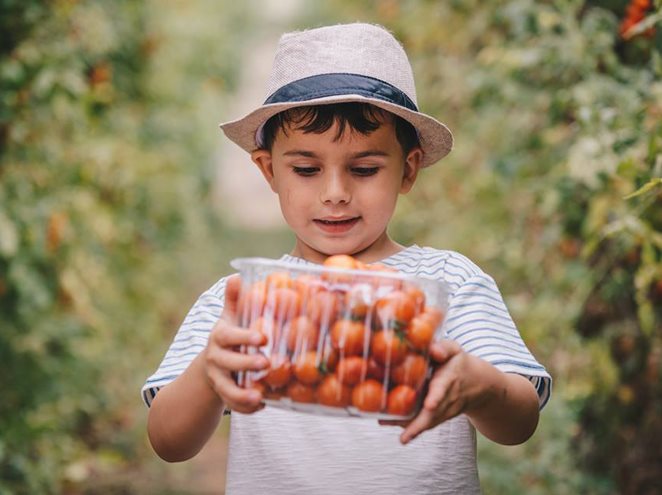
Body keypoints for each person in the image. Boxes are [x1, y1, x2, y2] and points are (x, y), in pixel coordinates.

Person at [142, 23, 551, 494]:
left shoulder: (448, 283)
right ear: (268, 169)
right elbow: (168, 440)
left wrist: (481, 386)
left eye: (364, 169)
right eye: (306, 169)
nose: (335, 194)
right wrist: (209, 373)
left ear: (409, 168)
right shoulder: (242, 302)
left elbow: (519, 421)